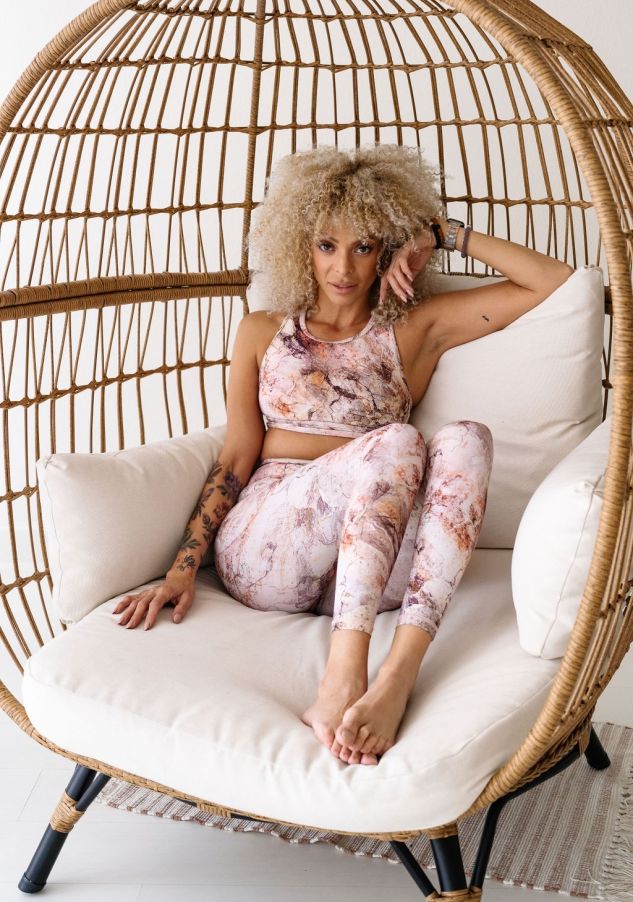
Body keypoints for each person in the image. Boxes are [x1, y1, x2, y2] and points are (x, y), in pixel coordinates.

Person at [112, 144, 574, 766]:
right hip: (272, 544)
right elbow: (238, 456)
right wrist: (182, 568)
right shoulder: (262, 329)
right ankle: (343, 676)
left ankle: (397, 677)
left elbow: (556, 283)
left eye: (364, 246)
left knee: (468, 437)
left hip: (377, 567)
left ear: (387, 249)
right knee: (400, 440)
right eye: (327, 244)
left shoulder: (414, 328)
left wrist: (440, 234)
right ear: (301, 245)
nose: (344, 266)